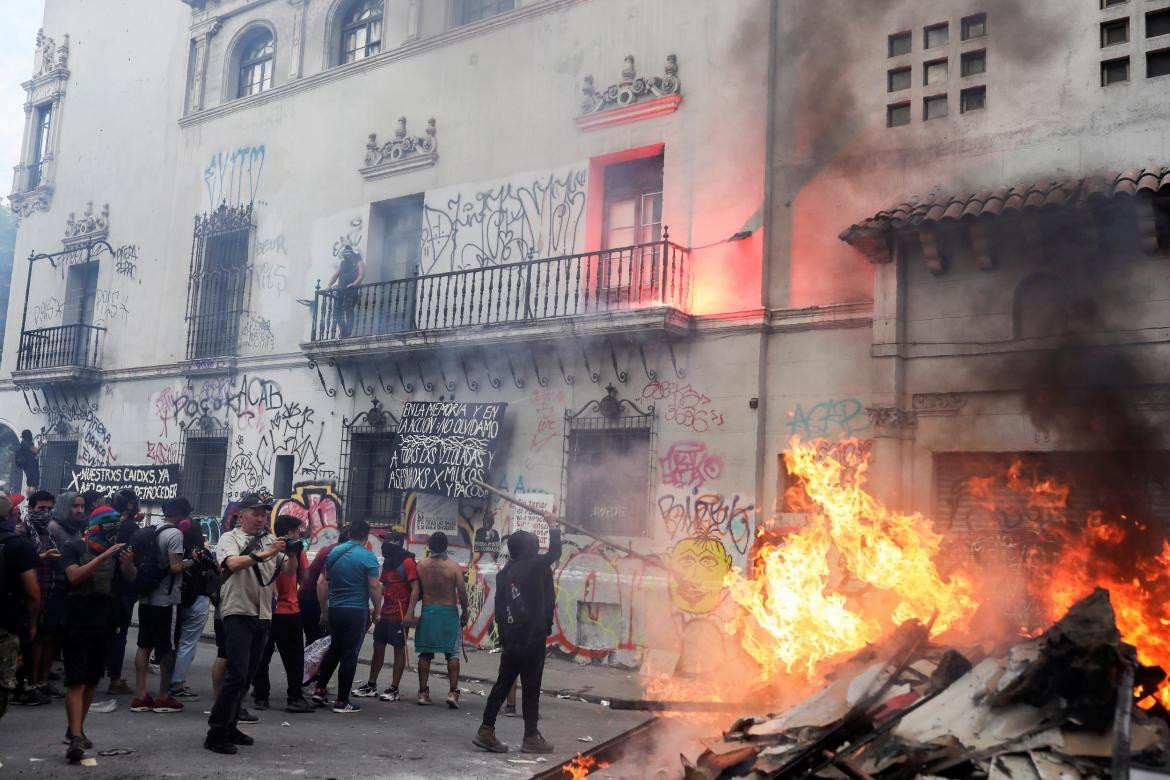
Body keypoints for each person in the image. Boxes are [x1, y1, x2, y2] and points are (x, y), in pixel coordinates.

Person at [205, 492, 289, 754]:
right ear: (241, 515)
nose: (261, 518)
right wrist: (266, 553)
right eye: (256, 513)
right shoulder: (230, 538)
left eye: (264, 514)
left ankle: (230, 725)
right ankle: (216, 731)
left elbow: (287, 570)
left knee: (248, 675)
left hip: (263, 613)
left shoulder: (269, 540)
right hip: (237, 611)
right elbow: (232, 563)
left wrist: (290, 550)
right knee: (237, 672)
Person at [474, 513, 562, 755]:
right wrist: (552, 525)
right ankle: (531, 737)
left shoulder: (505, 574)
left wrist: (503, 637)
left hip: (512, 639)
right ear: (530, 549)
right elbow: (554, 554)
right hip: (532, 638)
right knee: (531, 688)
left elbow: (501, 609)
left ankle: (486, 729)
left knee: (503, 684)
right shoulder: (534, 566)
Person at [58, 507, 134, 762]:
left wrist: (128, 565)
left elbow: (130, 580)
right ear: (95, 525)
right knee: (76, 680)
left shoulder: (117, 551)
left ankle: (76, 728)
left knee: (91, 680)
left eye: (116, 522)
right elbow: (74, 577)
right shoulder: (74, 547)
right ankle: (76, 737)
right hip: (77, 617)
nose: (113, 527)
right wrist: (103, 558)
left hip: (104, 618)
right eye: (108, 523)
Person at [130, 498, 193, 713]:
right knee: (168, 648)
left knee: (144, 645)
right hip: (166, 600)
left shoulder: (152, 531)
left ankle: (140, 694)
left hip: (147, 597)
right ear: (182, 515)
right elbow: (176, 567)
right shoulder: (175, 534)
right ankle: (163, 696)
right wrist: (193, 561)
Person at [313, 520, 381, 713]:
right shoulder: (368, 556)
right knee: (349, 654)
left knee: (334, 649)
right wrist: (377, 611)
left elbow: (323, 582)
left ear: (349, 534)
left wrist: (324, 610)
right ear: (366, 536)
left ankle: (320, 689)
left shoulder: (334, 553)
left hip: (335, 609)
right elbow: (374, 586)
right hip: (356, 611)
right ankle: (342, 701)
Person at [251, 514, 314, 714]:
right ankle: (294, 697)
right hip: (289, 611)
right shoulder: (296, 550)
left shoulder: (264, 547)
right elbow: (304, 577)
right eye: (297, 531)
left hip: (265, 610)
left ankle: (261, 696)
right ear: (290, 532)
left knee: (262, 656)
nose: (299, 534)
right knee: (294, 657)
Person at [353, 530, 419, 701]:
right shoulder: (389, 562)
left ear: (397, 542)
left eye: (387, 541)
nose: (384, 545)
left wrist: (409, 613)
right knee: (378, 647)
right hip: (386, 611)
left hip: (400, 613)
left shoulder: (407, 562)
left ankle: (394, 688)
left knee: (398, 650)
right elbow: (384, 586)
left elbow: (416, 589)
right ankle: (371, 685)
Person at [16, 490, 62, 705]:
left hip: (48, 589)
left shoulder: (49, 533)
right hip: (27, 594)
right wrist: (43, 556)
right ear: (31, 508)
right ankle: (28, 684)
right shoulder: (22, 530)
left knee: (46, 639)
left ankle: (41, 682)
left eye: (49, 509)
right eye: (41, 508)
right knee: (29, 641)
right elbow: (19, 560)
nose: (45, 513)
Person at [414, 531, 469, 708]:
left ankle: (423, 692)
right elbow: (461, 591)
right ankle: (453, 692)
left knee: (425, 653)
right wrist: (465, 611)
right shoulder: (453, 567)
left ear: (429, 545)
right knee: (452, 654)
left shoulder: (421, 565)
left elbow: (416, 590)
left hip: (429, 611)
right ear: (446, 546)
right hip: (448, 613)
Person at [168, 500, 214, 700]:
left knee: (176, 641)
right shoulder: (198, 549)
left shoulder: (172, 543)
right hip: (197, 598)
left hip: (177, 598)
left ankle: (170, 680)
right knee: (188, 642)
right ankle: (177, 683)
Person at [0, 493, 40, 719]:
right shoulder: (19, 547)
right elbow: (33, 593)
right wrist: (32, 623)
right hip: (6, 626)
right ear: (8, 515)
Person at [105, 489, 141, 695]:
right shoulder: (130, 528)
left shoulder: (104, 523)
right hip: (121, 588)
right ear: (129, 506)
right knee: (119, 634)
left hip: (101, 586)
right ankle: (115, 679)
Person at [327, 246, 365, 337]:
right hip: (340, 291)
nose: (346, 256)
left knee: (348, 310)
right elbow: (335, 275)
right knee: (337, 312)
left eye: (348, 254)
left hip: (351, 292)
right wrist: (329, 285)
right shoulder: (342, 263)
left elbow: (361, 275)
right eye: (345, 255)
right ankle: (343, 330)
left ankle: (348, 332)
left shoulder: (359, 262)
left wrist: (354, 284)